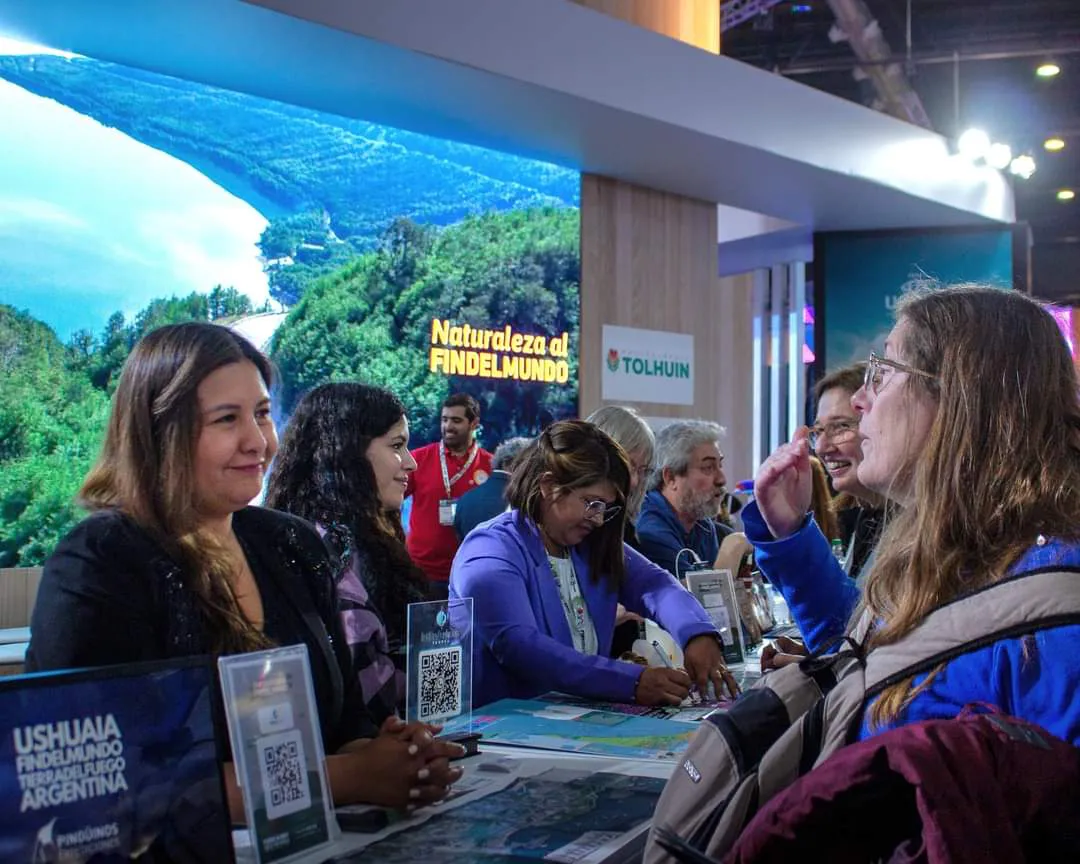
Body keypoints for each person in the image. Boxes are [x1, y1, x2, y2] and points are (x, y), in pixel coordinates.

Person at [25, 323, 464, 816]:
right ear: (160, 432)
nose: (257, 441)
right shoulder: (101, 560)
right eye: (226, 419)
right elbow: (113, 779)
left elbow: (342, 726)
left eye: (261, 414)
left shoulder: (289, 543)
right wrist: (346, 778)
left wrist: (394, 755)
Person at [753, 285, 1080, 743]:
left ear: (960, 396)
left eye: (881, 372)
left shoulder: (1056, 614)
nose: (860, 400)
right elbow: (872, 665)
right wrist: (791, 535)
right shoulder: (950, 546)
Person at [449, 420, 738, 707]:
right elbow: (520, 646)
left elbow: (655, 584)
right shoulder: (489, 551)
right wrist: (630, 682)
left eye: (605, 508)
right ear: (549, 485)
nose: (599, 518)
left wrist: (697, 633)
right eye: (591, 503)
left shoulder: (586, 544)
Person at [264, 382, 428, 725]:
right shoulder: (334, 548)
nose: (410, 463)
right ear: (347, 453)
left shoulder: (337, 536)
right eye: (397, 445)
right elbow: (370, 693)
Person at [637, 420, 751, 582]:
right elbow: (693, 602)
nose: (722, 479)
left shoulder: (702, 523)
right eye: (708, 467)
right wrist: (732, 548)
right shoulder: (649, 529)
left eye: (720, 465)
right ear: (670, 478)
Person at [406, 393, 493, 598]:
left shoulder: (490, 465)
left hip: (470, 572)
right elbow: (389, 504)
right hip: (421, 572)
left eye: (456, 420)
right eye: (444, 420)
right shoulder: (418, 459)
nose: (448, 426)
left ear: (474, 423)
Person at [585, 405, 656, 656]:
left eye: (642, 470)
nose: (635, 481)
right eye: (629, 465)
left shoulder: (622, 526)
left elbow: (655, 586)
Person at [453, 436, 532, 540]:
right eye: (527, 464)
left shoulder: (465, 499)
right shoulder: (522, 500)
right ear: (507, 463)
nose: (531, 471)